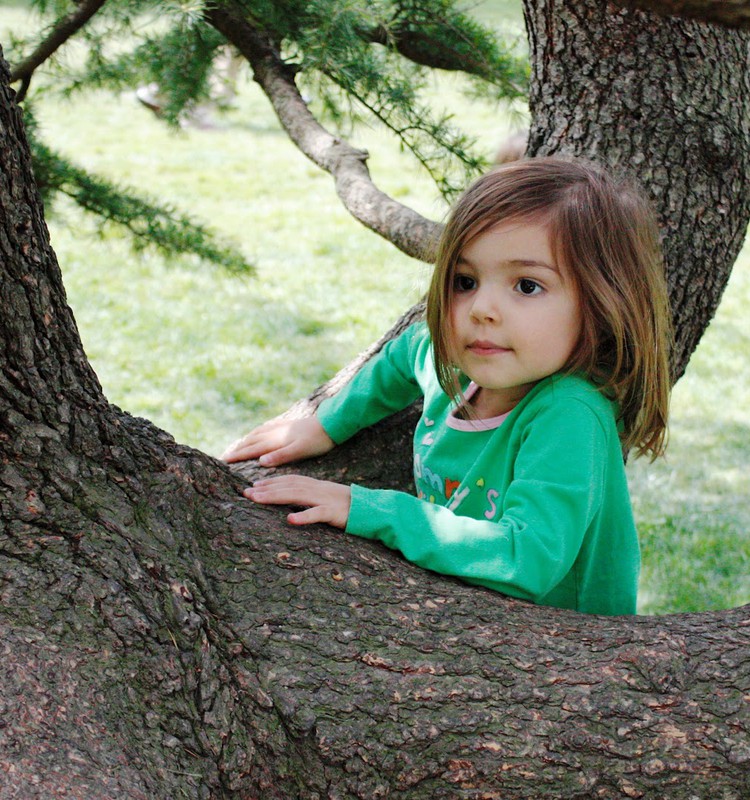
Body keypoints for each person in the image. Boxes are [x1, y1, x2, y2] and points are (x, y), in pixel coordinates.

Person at [221, 157, 672, 616]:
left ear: (599, 304)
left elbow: (526, 558)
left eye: (528, 286)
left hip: (569, 647)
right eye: (465, 281)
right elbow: (401, 357)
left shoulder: (569, 414)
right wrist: (324, 426)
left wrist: (370, 509)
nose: (482, 308)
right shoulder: (453, 366)